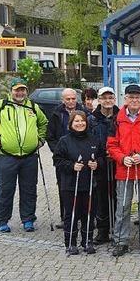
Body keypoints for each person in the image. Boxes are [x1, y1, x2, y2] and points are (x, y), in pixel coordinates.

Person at [0, 78, 48, 233]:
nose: (20, 93)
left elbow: (44, 123)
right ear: (11, 91)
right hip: (6, 156)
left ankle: (28, 219)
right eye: (17, 90)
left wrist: (40, 140)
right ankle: (1, 220)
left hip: (30, 157)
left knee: (29, 189)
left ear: (26, 91)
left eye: (23, 90)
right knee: (5, 189)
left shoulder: (33, 107)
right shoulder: (0, 106)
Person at [107, 84, 140, 257]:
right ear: (125, 99)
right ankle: (121, 241)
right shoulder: (117, 119)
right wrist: (122, 158)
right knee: (123, 207)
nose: (134, 100)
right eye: (131, 97)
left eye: (137, 97)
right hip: (125, 168)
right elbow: (111, 145)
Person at [53, 111, 104, 254]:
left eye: (82, 121)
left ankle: (87, 240)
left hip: (89, 183)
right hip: (70, 185)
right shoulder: (64, 140)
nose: (80, 124)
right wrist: (71, 166)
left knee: (89, 213)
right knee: (72, 214)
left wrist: (97, 164)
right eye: (76, 121)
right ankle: (71, 242)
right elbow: (57, 160)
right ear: (71, 124)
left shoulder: (94, 140)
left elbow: (102, 157)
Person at [47, 88, 86, 228]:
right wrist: (58, 151)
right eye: (68, 99)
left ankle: (82, 216)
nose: (71, 101)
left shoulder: (84, 111)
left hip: (82, 157)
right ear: (63, 100)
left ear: (77, 99)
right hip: (64, 158)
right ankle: (66, 217)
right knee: (64, 188)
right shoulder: (56, 113)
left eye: (73, 98)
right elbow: (50, 136)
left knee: (83, 188)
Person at [89, 86, 120, 245]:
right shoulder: (92, 119)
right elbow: (88, 140)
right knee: (100, 197)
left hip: (118, 162)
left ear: (114, 99)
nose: (107, 101)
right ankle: (102, 230)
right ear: (99, 100)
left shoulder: (121, 116)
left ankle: (117, 229)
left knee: (117, 196)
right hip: (99, 164)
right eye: (104, 98)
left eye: (110, 97)